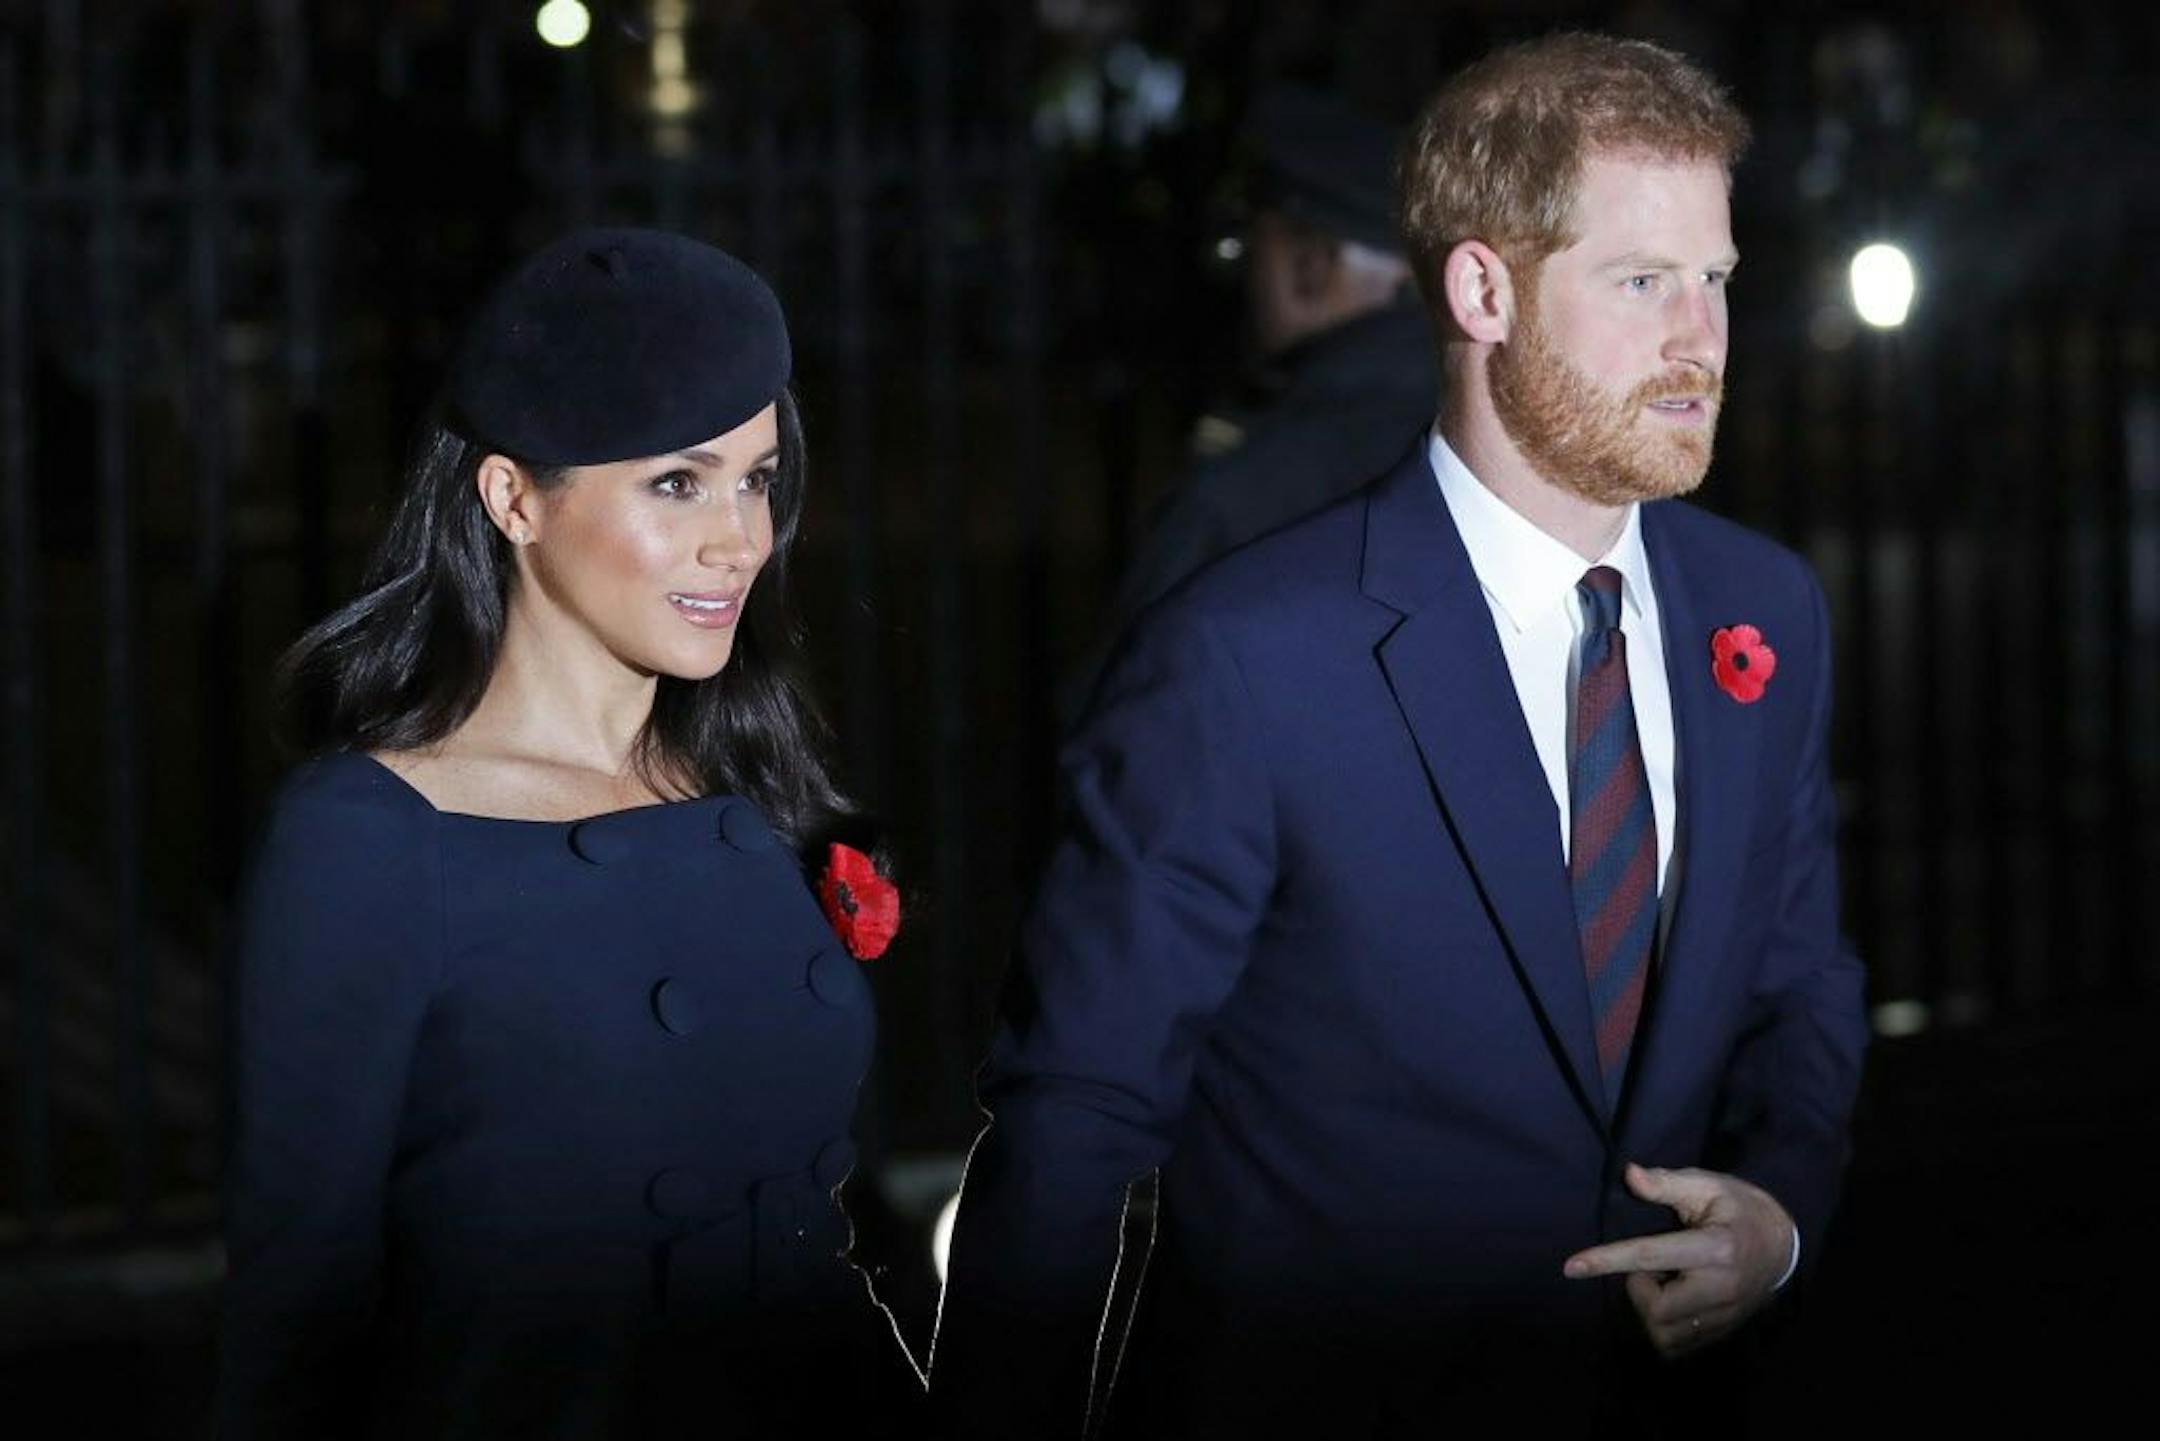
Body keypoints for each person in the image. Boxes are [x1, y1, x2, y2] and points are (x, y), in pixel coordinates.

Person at [932, 33, 1867, 1437]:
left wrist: (1780, 1213)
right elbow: (1076, 1115)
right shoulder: (1244, 653)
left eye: (1716, 279)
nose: (1701, 339)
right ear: (1483, 288)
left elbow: (1801, 979)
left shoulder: (1761, 607)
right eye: (1639, 281)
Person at [217, 227, 922, 1438]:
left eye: (756, 479)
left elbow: (842, 1204)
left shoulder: (750, 784)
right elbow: (298, 1305)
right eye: (677, 482)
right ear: (513, 498)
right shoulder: (372, 837)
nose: (739, 538)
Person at [1070, 84, 1436, 720]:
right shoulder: (1508, 446)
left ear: (1311, 265)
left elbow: (1131, 727)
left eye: (1247, 250)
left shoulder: (1250, 493)